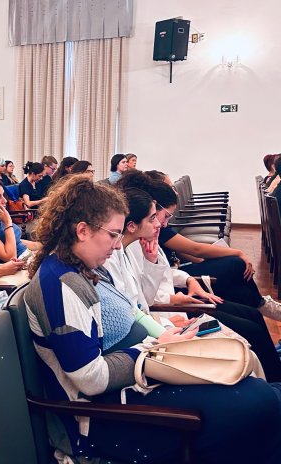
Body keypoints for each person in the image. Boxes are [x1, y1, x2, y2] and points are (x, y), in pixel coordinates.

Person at [24, 175, 281, 464]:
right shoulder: (62, 285)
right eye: (113, 234)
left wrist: (161, 340)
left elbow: (133, 310)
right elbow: (91, 379)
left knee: (264, 396)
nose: (118, 245)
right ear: (82, 230)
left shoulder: (83, 268)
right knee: (261, 404)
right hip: (103, 419)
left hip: (133, 385)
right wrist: (152, 349)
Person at [106, 187, 281, 380]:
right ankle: (273, 377)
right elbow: (139, 307)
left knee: (249, 310)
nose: (159, 224)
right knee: (247, 337)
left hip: (162, 320)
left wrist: (157, 264)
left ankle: (273, 372)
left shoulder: (128, 248)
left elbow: (142, 299)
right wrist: (165, 321)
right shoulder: (119, 252)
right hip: (164, 319)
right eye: (154, 218)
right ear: (131, 226)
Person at [120, 170, 281, 321]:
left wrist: (190, 277)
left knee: (241, 296)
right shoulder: (142, 236)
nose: (175, 192)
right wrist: (176, 295)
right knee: (235, 266)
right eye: (171, 187)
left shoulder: (146, 233)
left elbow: (181, 258)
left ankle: (258, 305)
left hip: (174, 282)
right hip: (170, 300)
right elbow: (194, 250)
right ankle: (260, 304)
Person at [0, 177, 39, 263]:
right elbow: (10, 257)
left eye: (3, 195)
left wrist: (40, 246)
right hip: (20, 263)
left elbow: (16, 242)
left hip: (29, 255)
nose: (5, 200)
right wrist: (8, 222)